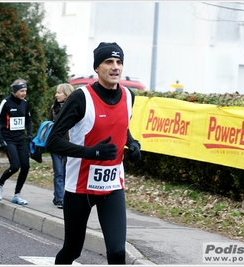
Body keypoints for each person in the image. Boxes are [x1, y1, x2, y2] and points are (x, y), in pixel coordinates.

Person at [46, 42, 141, 264]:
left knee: (118, 252)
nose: (115, 67)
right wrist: (91, 152)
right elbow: (53, 141)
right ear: (97, 68)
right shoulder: (81, 98)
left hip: (112, 186)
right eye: (109, 62)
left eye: (119, 62)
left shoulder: (129, 96)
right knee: (72, 250)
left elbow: (121, 126)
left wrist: (133, 143)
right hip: (80, 187)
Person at [0, 78, 33, 205]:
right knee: (15, 166)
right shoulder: (6, 102)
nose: (24, 93)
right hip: (8, 139)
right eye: (21, 91)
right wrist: (1, 140)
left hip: (20, 139)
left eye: (25, 90)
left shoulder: (25, 103)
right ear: (14, 91)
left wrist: (30, 134)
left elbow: (28, 120)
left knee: (25, 166)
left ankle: (17, 194)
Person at [48, 83, 75, 209]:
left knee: (66, 173)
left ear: (66, 94)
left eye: (59, 92)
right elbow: (49, 125)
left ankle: (58, 195)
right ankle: (60, 199)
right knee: (59, 172)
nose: (56, 95)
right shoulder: (54, 108)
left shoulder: (74, 108)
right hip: (56, 145)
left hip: (69, 145)